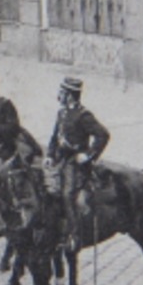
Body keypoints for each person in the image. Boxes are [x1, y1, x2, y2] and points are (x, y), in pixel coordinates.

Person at [47, 76, 111, 250]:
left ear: (69, 95)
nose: (59, 95)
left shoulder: (84, 115)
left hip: (75, 164)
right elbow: (54, 137)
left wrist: (88, 155)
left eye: (62, 92)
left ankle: (74, 235)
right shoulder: (62, 112)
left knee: (67, 193)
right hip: (60, 160)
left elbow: (103, 135)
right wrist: (49, 155)